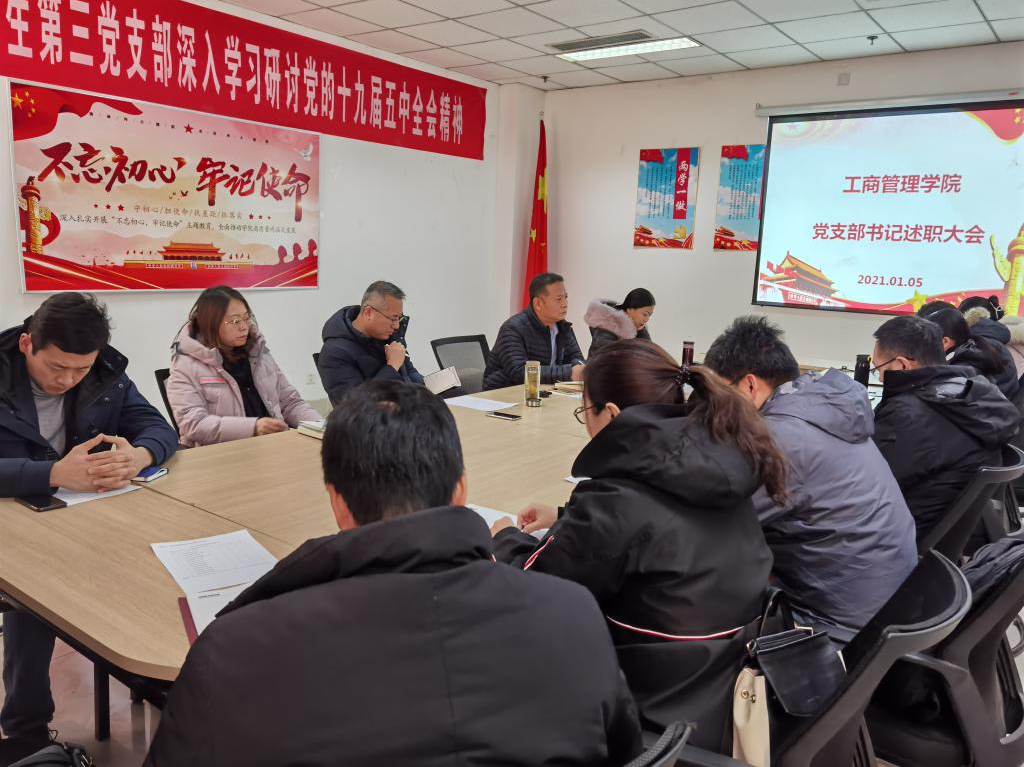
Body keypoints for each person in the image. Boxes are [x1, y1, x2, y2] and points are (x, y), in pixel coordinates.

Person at [144, 381, 642, 767]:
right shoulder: (573, 614)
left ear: (337, 503)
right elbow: (626, 751)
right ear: (461, 490)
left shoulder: (233, 651)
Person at [493, 339, 780, 751]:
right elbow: (661, 524)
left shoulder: (617, 503)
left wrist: (503, 536)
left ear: (611, 415)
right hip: (715, 690)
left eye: (584, 412)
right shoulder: (715, 464)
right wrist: (567, 513)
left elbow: (532, 587)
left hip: (650, 714)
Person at [0, 293, 177, 760]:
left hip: (89, 514)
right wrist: (52, 473)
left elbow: (160, 428)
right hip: (17, 527)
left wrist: (139, 455)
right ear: (26, 344)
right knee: (34, 600)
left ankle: (155, 676)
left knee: (158, 557)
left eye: (80, 369)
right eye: (57, 367)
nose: (68, 380)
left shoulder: (105, 374)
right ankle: (25, 730)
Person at [703, 316, 917, 630]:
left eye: (717, 395)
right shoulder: (823, 408)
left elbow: (713, 524)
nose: (713, 407)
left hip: (836, 626)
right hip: (885, 603)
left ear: (749, 385)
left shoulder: (782, 438)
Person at [871, 315, 1020, 542]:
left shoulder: (911, 414)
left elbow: (870, 484)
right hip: (947, 533)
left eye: (879, 368)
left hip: (897, 535)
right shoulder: (975, 392)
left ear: (902, 365)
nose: (881, 378)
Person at [167, 286, 321, 448]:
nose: (244, 327)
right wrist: (252, 428)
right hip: (222, 454)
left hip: (272, 446)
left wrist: (321, 426)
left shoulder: (258, 353)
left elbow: (290, 402)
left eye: (246, 318)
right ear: (211, 323)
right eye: (235, 321)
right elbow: (193, 424)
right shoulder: (185, 365)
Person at [318, 281, 424, 406]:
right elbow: (356, 406)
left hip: (410, 411)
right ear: (368, 313)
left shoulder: (389, 337)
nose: (396, 326)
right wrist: (392, 367)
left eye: (399, 318)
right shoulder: (334, 353)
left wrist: (428, 396)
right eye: (393, 318)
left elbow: (411, 374)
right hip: (381, 417)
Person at [483, 272, 585, 390]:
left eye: (565, 297)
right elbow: (520, 373)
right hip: (502, 394)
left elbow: (576, 358)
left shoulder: (563, 327)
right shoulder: (513, 329)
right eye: (558, 299)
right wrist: (569, 372)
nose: (565, 304)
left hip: (541, 391)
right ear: (538, 304)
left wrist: (581, 368)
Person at [922, 307, 1018, 399]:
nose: (921, 348)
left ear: (945, 342)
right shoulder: (978, 346)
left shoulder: (962, 370)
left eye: (924, 341)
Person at [584, 288, 655, 355]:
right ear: (630, 309)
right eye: (645, 314)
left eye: (649, 315)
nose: (647, 319)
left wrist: (641, 332)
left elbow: (650, 354)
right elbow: (615, 356)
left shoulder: (638, 328)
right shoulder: (608, 324)